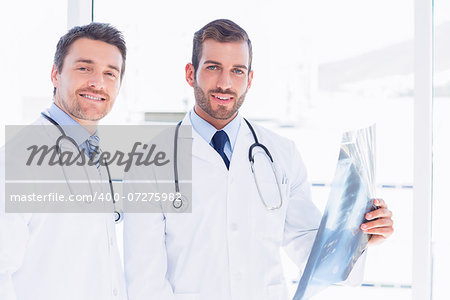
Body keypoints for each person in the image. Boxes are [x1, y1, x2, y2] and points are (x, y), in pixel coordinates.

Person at [124, 19, 394, 300]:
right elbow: (145, 279)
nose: (225, 83)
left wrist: (360, 233)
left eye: (237, 71)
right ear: (191, 73)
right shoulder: (149, 161)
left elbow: (309, 247)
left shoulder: (281, 153)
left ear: (250, 79)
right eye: (213, 67)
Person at [0, 23, 127, 300]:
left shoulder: (93, 152)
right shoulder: (17, 159)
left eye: (110, 73)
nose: (98, 82)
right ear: (55, 74)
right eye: (84, 68)